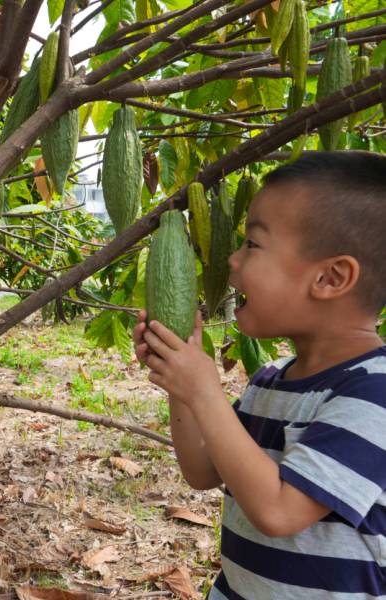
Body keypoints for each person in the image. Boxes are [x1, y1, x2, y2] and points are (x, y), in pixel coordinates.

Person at [133, 151, 386, 599]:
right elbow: (202, 470)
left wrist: (206, 393)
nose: (231, 260)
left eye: (252, 244)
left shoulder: (374, 394)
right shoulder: (270, 381)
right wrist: (182, 384)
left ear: (330, 278)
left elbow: (279, 511)